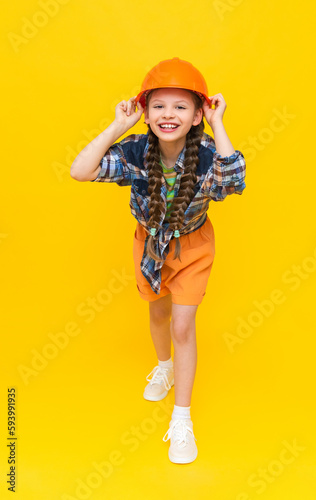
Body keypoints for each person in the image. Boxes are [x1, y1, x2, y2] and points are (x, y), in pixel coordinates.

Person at [70, 57, 246, 465]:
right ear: (146, 114)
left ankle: (181, 419)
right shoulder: (135, 149)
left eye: (181, 106)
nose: (169, 114)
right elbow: (81, 170)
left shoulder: (205, 152)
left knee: (183, 326)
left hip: (193, 246)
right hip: (149, 245)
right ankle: (163, 367)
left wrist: (219, 123)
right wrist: (118, 126)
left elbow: (233, 180)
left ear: (198, 113)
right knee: (158, 314)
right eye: (159, 106)